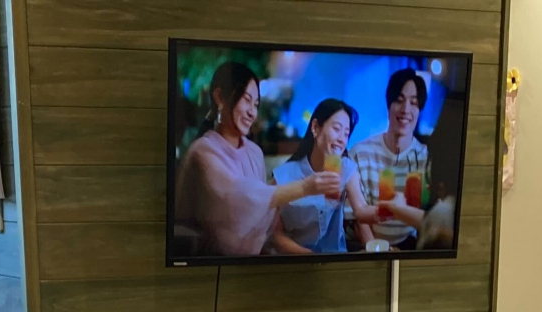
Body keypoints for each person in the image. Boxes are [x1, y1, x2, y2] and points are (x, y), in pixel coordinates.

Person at [173, 61, 338, 257]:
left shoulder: (254, 152)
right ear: (219, 98)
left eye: (256, 104)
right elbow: (239, 199)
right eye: (246, 100)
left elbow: (261, 220)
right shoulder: (202, 151)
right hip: (205, 267)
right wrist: (305, 187)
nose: (252, 112)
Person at [271, 99, 369, 256]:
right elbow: (274, 235)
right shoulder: (284, 176)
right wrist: (311, 258)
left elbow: (362, 210)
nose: (342, 139)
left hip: (336, 261)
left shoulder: (346, 168)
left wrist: (386, 210)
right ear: (315, 127)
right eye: (336, 129)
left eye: (346, 133)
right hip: (294, 261)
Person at [347, 68, 431, 248]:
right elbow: (357, 219)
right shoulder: (360, 153)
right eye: (399, 101)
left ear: (419, 110)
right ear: (389, 105)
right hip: (369, 247)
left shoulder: (426, 157)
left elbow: (430, 220)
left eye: (413, 103)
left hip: (411, 247)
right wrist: (376, 251)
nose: (406, 109)